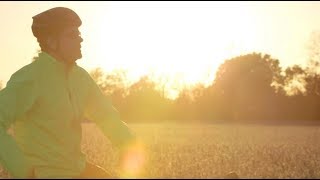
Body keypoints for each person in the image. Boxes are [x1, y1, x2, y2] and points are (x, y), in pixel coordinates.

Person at [0, 7, 143, 178]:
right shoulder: (30, 78)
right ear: (52, 42)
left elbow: (105, 115)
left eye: (79, 33)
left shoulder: (80, 78)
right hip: (45, 174)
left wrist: (128, 144)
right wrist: (23, 171)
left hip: (77, 169)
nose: (80, 39)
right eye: (72, 35)